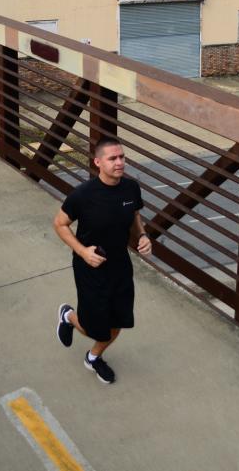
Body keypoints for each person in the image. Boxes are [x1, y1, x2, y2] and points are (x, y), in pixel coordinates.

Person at [52, 138, 152, 385]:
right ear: (98, 162)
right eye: (112, 158)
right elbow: (60, 224)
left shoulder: (131, 188)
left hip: (120, 264)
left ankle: (93, 358)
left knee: (119, 321)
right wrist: (83, 251)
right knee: (95, 327)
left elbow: (135, 216)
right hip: (90, 267)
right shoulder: (83, 195)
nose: (119, 162)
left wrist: (142, 235)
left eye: (122, 157)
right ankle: (69, 316)